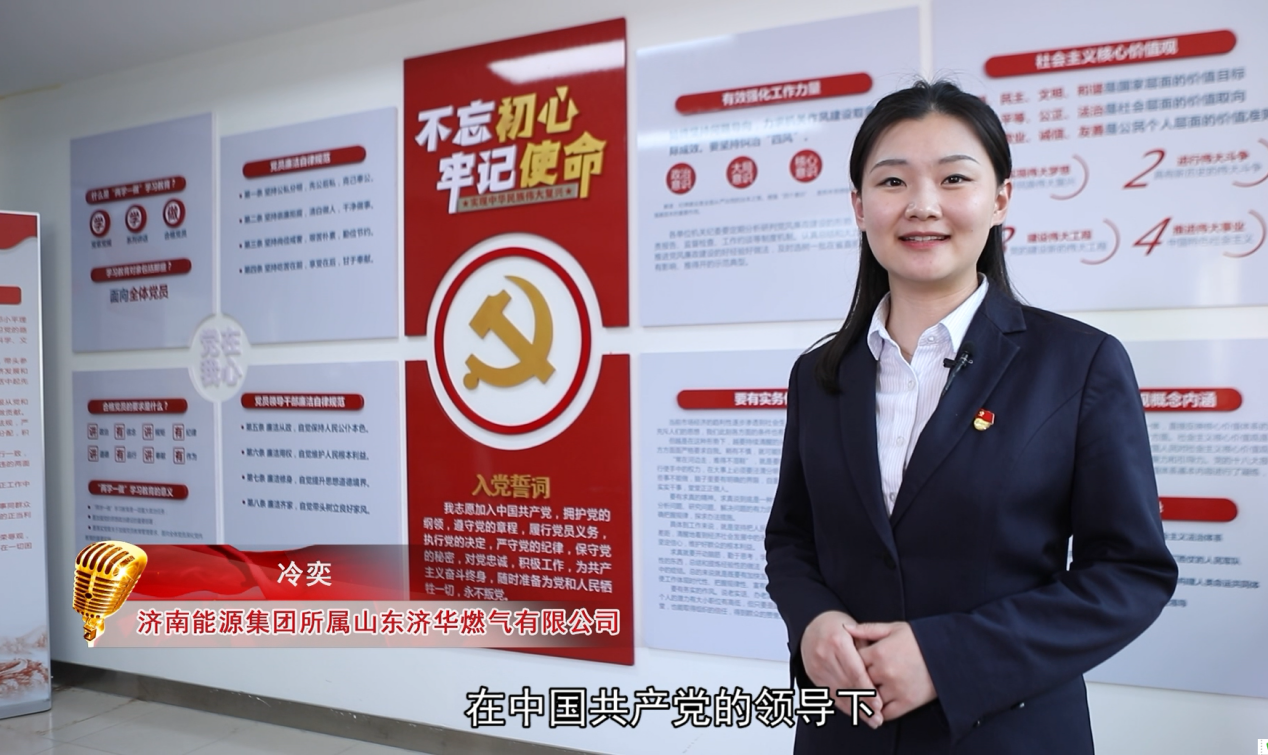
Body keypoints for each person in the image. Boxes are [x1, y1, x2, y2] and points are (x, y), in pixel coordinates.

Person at [763, 79, 1177, 754]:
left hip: (1007, 733)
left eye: (954, 178)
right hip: (844, 729)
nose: (922, 205)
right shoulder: (820, 375)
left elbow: (1130, 573)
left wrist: (946, 656)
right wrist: (812, 622)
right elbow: (791, 539)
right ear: (859, 206)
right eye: (892, 181)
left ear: (1000, 199)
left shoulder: (1078, 364)